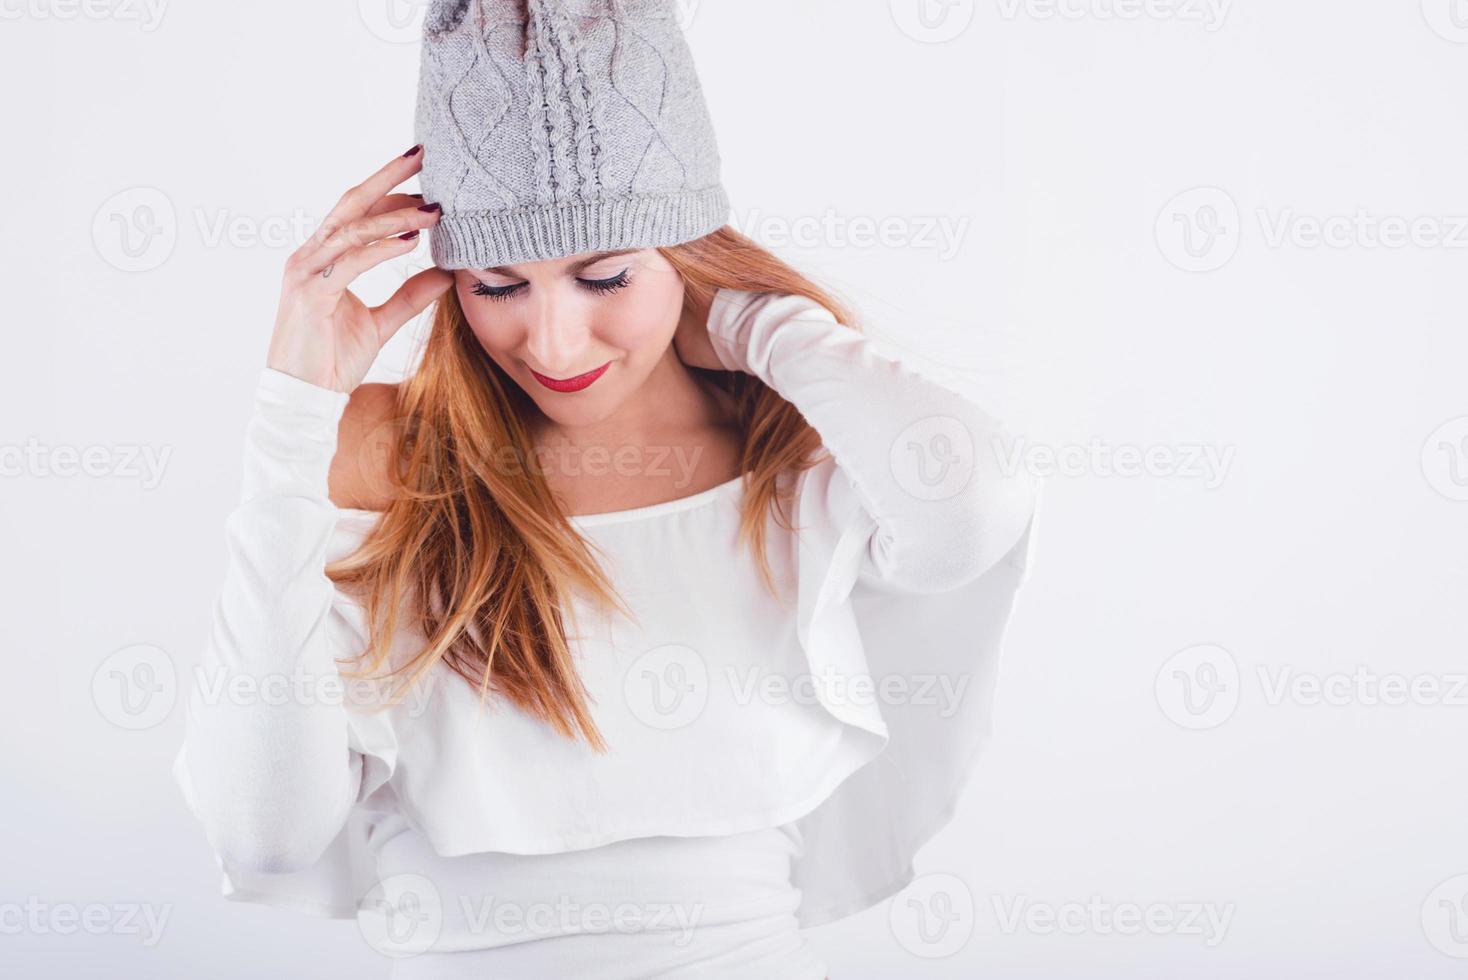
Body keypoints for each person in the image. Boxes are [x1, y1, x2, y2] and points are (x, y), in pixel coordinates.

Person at [172, 2, 1039, 975]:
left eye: (606, 275)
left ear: (684, 248)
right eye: (497, 286)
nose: (551, 343)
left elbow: (974, 511)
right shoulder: (376, 447)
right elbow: (263, 830)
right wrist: (291, 417)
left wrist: (765, 329)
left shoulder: (782, 444)